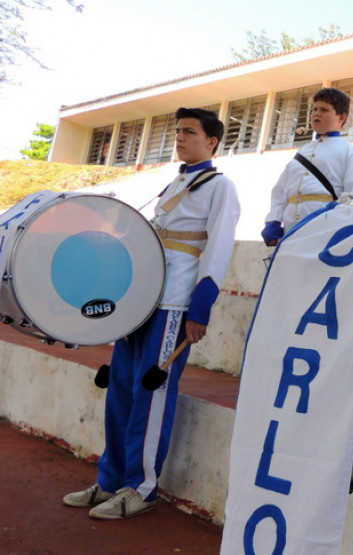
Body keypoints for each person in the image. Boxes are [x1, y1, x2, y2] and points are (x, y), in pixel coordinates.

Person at [63, 108, 241, 519]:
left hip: (176, 303)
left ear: (212, 141)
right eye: (178, 131)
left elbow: (218, 248)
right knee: (121, 388)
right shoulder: (175, 181)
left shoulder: (221, 186)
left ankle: (140, 487)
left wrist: (201, 306)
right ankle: (110, 481)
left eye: (189, 132)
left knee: (151, 392)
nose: (180, 137)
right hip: (142, 298)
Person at [261, 87, 353, 245]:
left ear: (341, 118)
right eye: (314, 109)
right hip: (291, 232)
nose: (316, 114)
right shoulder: (302, 152)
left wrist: (334, 222)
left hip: (325, 232)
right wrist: (273, 220)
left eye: (324, 110)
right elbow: (280, 190)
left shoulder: (351, 152)